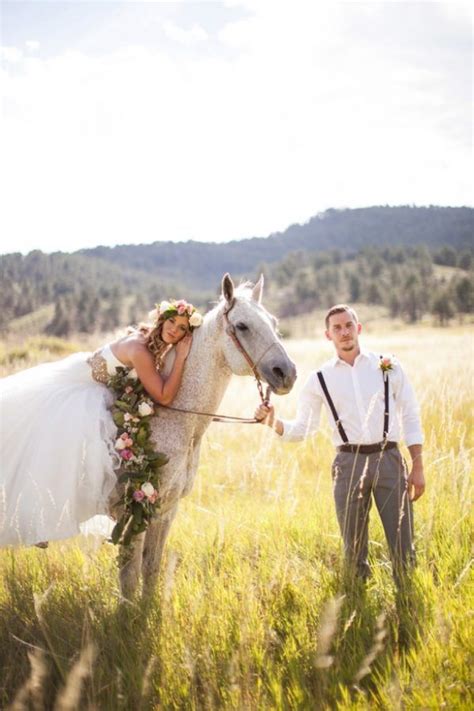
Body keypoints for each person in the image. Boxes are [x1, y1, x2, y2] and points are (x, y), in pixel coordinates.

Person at [0, 299, 203, 548]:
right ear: (162, 319)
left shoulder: (149, 341)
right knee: (65, 441)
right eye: (172, 321)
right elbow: (163, 395)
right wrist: (181, 357)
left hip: (94, 383)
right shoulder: (141, 350)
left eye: (182, 327)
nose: (174, 329)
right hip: (81, 388)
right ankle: (39, 521)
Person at [255, 304, 425, 585]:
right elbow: (303, 428)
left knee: (403, 541)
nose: (344, 332)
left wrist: (417, 466)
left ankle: (407, 597)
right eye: (337, 328)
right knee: (353, 547)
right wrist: (273, 422)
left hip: (390, 459)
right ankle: (358, 605)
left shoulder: (389, 366)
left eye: (348, 325)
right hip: (347, 465)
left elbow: (410, 415)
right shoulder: (318, 379)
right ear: (328, 335)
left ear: (358, 328)